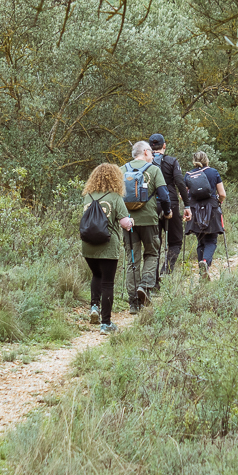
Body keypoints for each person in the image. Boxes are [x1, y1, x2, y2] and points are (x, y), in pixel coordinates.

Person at [81, 163, 135, 332]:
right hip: (108, 245)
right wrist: (131, 222)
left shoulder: (88, 196)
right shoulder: (115, 197)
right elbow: (125, 223)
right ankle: (106, 323)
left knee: (96, 275)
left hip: (88, 245)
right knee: (107, 283)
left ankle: (94, 307)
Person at [123, 140, 171, 311]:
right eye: (150, 152)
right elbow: (164, 195)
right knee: (152, 253)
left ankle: (133, 303)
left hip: (128, 223)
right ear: (145, 152)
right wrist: (167, 212)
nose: (152, 155)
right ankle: (144, 286)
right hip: (149, 220)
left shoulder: (122, 170)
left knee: (132, 259)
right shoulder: (154, 170)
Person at [148, 133, 190, 279]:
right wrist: (187, 205)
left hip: (151, 205)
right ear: (164, 145)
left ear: (150, 147)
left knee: (154, 243)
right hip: (171, 203)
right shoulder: (172, 161)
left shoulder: (146, 163)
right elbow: (180, 183)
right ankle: (166, 271)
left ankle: (152, 279)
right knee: (176, 240)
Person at [183, 150, 226, 278]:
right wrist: (219, 200)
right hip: (211, 208)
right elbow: (222, 194)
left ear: (194, 161)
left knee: (200, 240)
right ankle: (205, 262)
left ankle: (202, 272)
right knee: (211, 240)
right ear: (207, 160)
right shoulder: (213, 172)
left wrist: (189, 202)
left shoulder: (188, 175)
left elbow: (182, 194)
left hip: (195, 209)